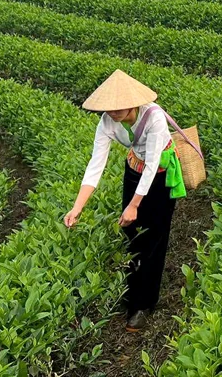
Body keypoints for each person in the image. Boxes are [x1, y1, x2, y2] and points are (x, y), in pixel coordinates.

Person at [63, 70, 186, 333]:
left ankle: (143, 304)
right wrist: (78, 206)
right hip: (134, 171)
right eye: (109, 108)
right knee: (131, 234)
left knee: (154, 236)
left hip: (160, 178)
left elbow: (152, 165)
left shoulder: (153, 117)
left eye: (118, 107)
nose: (113, 112)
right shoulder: (107, 122)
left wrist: (134, 204)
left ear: (133, 102)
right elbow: (96, 164)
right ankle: (131, 291)